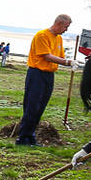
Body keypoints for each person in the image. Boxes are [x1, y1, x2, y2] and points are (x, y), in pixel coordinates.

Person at [15, 14, 75, 145]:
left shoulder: (58, 39)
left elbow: (58, 56)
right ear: (59, 23)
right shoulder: (42, 35)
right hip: (37, 73)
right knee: (32, 106)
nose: (66, 30)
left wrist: (67, 62)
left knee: (41, 106)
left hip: (49, 75)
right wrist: (68, 62)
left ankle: (31, 136)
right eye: (66, 26)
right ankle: (23, 137)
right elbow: (46, 56)